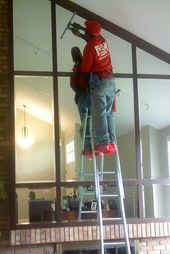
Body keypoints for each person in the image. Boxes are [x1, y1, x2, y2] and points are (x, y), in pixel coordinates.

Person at [71, 20, 117, 156]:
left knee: (99, 114)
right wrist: (80, 32)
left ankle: (103, 143)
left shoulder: (89, 48)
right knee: (109, 113)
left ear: (89, 32)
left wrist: (88, 86)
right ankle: (111, 141)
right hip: (111, 82)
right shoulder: (102, 40)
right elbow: (90, 39)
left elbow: (85, 70)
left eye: (85, 30)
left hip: (99, 83)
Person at [70, 46, 102, 158]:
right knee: (86, 123)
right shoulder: (76, 68)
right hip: (83, 98)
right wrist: (83, 92)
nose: (74, 57)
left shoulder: (86, 64)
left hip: (91, 96)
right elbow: (73, 84)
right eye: (73, 55)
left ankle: (97, 146)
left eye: (76, 53)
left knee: (95, 121)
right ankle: (88, 147)